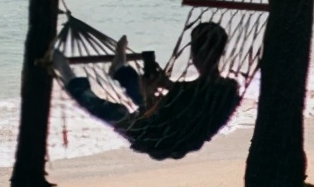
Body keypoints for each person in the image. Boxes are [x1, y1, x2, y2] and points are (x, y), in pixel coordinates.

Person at [51, 21, 242, 160]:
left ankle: (68, 74)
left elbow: (155, 114)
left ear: (193, 54)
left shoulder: (190, 94)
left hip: (157, 139)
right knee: (148, 96)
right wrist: (164, 87)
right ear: (221, 52)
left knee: (119, 113)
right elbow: (189, 96)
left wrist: (149, 94)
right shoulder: (230, 88)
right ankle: (120, 70)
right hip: (183, 136)